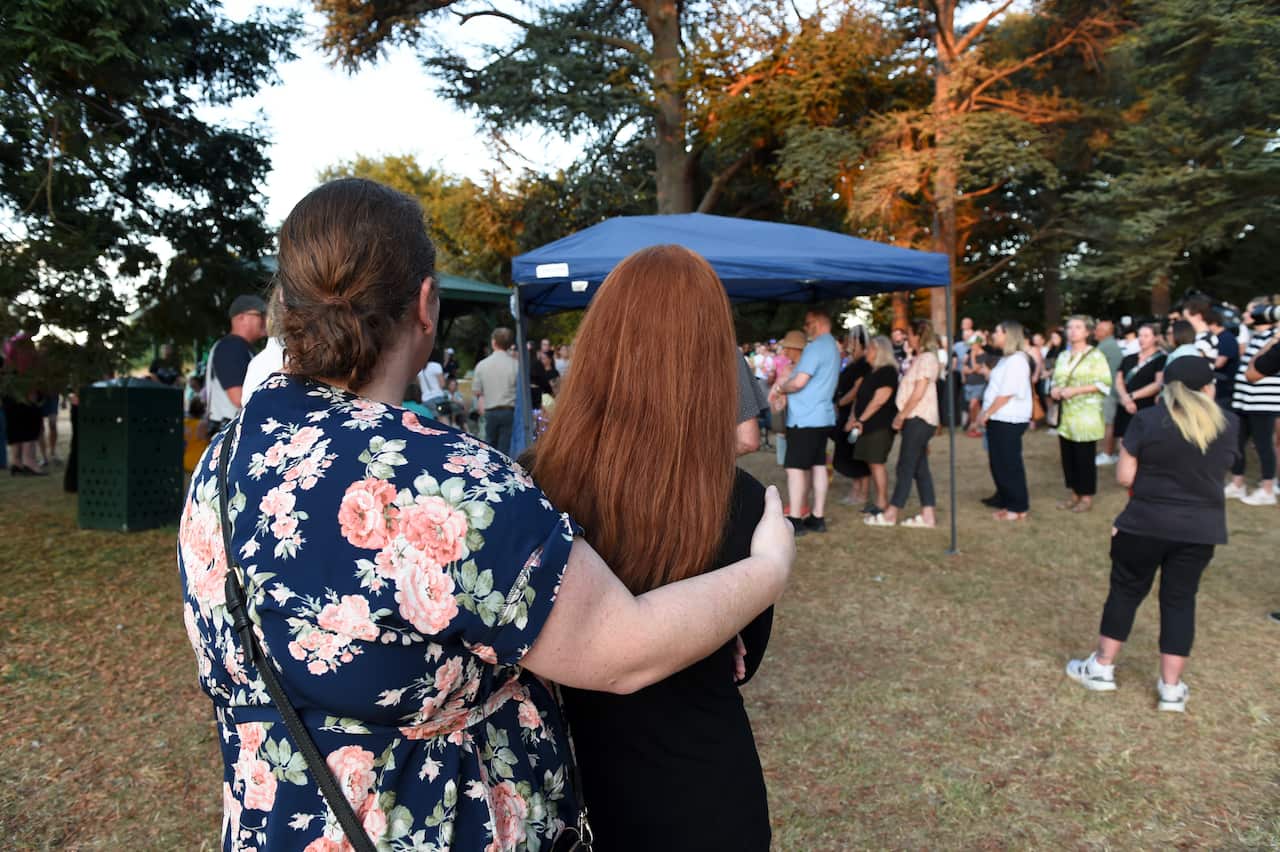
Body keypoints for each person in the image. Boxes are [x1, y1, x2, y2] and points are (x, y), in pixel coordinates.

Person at [177, 179, 794, 852]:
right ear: (424, 304)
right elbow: (624, 648)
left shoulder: (225, 461)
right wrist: (765, 569)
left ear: (285, 307)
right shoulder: (446, 481)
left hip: (278, 823)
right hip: (425, 826)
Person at [527, 244, 779, 851]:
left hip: (564, 787)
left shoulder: (528, 486)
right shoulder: (740, 502)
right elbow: (746, 657)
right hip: (700, 792)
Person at [1065, 357, 1238, 713]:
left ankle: (1101, 669)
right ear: (1207, 388)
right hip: (1199, 528)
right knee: (1180, 600)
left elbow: (1125, 476)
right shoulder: (1229, 423)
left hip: (1145, 522)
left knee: (1126, 592)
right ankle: (1171, 690)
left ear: (1167, 387)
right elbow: (1225, 468)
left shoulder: (1147, 420)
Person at [772, 309, 841, 535]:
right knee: (819, 465)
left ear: (819, 322)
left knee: (795, 469)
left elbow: (800, 382)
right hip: (823, 416)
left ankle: (796, 519)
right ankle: (817, 516)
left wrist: (783, 387)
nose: (806, 327)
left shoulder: (816, 347)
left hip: (805, 418)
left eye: (808, 323)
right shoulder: (833, 347)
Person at [870, 320, 940, 528]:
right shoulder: (919, 358)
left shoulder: (927, 359)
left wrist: (902, 415)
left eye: (909, 334)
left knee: (906, 466)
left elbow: (919, 392)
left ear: (919, 336)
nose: (907, 338)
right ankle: (928, 515)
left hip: (918, 418)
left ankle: (892, 512)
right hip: (915, 418)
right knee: (919, 468)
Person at [1050, 315, 1112, 513]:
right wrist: (1054, 389)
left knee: (1084, 457)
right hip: (1066, 416)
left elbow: (1104, 383)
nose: (1073, 331)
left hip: (1086, 415)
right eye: (1069, 327)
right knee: (1068, 456)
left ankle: (1086, 497)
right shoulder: (1062, 356)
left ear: (1087, 332)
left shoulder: (1096, 355)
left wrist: (1076, 391)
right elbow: (1056, 379)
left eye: (1078, 327)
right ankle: (1074, 494)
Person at [1225, 299, 1279, 506]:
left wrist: (1274, 338)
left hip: (1263, 401)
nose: (1247, 315)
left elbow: (1258, 367)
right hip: (1244, 399)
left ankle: (1267, 488)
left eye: (1251, 312)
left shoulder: (1272, 338)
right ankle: (1238, 484)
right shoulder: (1257, 337)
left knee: (1264, 444)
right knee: (1237, 442)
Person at [979, 322, 1034, 521]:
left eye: (997, 331)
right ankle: (1004, 496)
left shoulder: (1018, 360)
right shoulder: (1006, 359)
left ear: (1008, 335)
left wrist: (987, 413)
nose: (994, 334)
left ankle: (1017, 506)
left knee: (1009, 463)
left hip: (1008, 417)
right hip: (998, 417)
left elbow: (1007, 393)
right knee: (998, 461)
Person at [846, 336, 899, 517]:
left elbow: (879, 401)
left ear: (879, 351)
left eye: (869, 349)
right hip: (869, 426)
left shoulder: (887, 372)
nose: (866, 352)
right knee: (872, 463)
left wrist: (861, 420)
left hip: (879, 426)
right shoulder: (873, 372)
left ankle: (882, 502)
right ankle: (878, 501)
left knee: (877, 464)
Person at [206, 294, 267, 433]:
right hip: (230, 434)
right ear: (241, 318)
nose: (266, 320)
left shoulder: (239, 347)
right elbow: (239, 398)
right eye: (261, 315)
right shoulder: (231, 347)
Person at [833, 328, 871, 507]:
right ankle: (856, 491)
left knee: (856, 455)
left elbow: (857, 390)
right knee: (848, 454)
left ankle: (861, 493)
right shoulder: (851, 363)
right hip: (845, 412)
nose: (849, 345)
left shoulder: (864, 365)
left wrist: (840, 403)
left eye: (853, 342)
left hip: (853, 414)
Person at [2, 331, 46, 476]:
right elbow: (26, 368)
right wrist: (31, 390)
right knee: (30, 425)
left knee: (15, 427)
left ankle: (16, 462)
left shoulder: (9, 343)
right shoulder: (24, 344)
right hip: (24, 391)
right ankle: (29, 462)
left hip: (9, 392)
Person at [1113, 323, 1166, 440]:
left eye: (1146, 336)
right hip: (1125, 404)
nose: (1141, 339)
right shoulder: (1128, 358)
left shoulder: (1162, 359)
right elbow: (1119, 380)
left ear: (1155, 338)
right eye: (1140, 335)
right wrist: (1125, 398)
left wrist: (1132, 396)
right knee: (1124, 439)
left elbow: (1158, 384)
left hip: (1146, 405)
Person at [472, 327, 519, 454]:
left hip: (490, 411)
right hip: (509, 410)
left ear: (493, 342)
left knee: (489, 447)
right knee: (505, 449)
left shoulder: (482, 365)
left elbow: (477, 391)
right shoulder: (515, 365)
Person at [1094, 319, 1125, 466]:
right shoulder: (1108, 345)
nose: (1095, 332)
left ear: (1105, 332)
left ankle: (1108, 453)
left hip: (1109, 391)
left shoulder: (1106, 346)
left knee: (1109, 423)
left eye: (1098, 329)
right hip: (1111, 389)